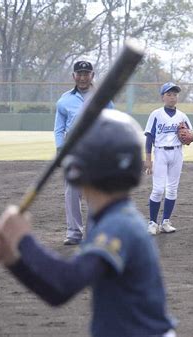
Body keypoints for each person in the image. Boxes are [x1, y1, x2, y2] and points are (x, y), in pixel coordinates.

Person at [0, 110, 176, 337]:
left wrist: (24, 238)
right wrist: (13, 259)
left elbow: (67, 281)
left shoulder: (119, 225)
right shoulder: (111, 217)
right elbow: (57, 294)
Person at [54, 61, 115, 245]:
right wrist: (59, 149)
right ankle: (73, 233)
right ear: (74, 76)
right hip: (73, 151)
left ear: (92, 75)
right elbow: (59, 129)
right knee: (72, 193)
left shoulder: (104, 98)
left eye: (86, 73)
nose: (82, 77)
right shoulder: (64, 100)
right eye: (79, 73)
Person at [144, 82, 193, 235]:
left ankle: (166, 221)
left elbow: (190, 135)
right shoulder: (156, 114)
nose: (172, 97)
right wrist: (148, 158)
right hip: (160, 152)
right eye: (169, 94)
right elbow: (149, 137)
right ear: (163, 97)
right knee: (158, 189)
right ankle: (153, 222)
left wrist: (189, 136)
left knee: (172, 189)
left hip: (177, 153)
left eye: (175, 94)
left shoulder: (182, 116)